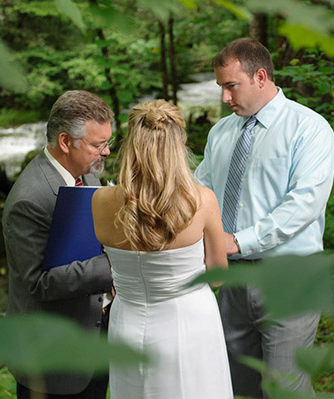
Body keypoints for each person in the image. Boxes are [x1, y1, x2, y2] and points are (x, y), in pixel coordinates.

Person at [194, 38, 334, 397]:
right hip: (229, 279)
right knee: (236, 387)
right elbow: (199, 195)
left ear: (260, 76)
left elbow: (303, 204)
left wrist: (239, 240)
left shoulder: (309, 129)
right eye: (221, 88)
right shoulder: (220, 133)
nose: (225, 98)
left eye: (231, 86)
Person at [91, 99, 233, 399]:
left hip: (126, 322)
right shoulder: (202, 201)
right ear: (179, 145)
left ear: (130, 145)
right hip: (189, 324)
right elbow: (219, 276)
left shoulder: (100, 201)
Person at [3, 90, 115, 399]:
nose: (105, 152)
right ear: (65, 142)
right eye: (97, 144)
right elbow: (39, 283)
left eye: (107, 142)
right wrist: (114, 267)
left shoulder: (88, 178)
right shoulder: (29, 199)